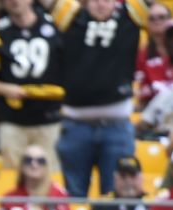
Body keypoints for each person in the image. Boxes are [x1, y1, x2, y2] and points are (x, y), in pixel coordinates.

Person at [44, 0, 147, 198]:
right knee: (73, 196)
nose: (101, 4)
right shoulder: (69, 17)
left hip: (117, 126)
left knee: (116, 196)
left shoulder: (131, 16)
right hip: (75, 125)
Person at [0, 0, 64, 170]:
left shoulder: (54, 26)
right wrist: (5, 89)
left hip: (50, 120)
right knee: (11, 177)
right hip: (11, 121)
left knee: (51, 177)